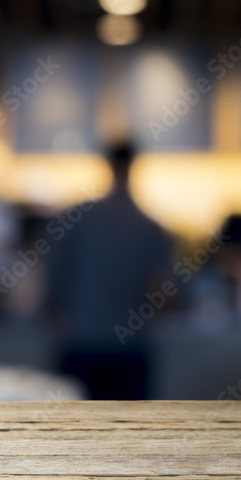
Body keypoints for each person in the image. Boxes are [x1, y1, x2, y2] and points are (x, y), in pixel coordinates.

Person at [45, 143, 173, 399]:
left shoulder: (77, 219)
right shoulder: (148, 226)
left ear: (108, 166)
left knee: (73, 429)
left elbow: (52, 278)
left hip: (81, 343)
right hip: (130, 348)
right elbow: (164, 290)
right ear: (134, 166)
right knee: (131, 431)